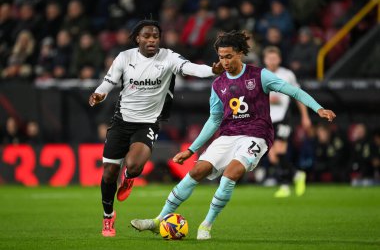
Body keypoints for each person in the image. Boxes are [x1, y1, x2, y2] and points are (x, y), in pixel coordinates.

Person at [130, 31, 336, 240]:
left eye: (229, 56)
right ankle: (158, 221)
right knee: (197, 171)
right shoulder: (218, 85)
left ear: (240, 54)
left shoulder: (259, 75)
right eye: (221, 57)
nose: (225, 61)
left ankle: (206, 225)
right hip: (228, 136)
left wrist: (318, 108)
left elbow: (294, 91)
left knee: (231, 173)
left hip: (256, 135)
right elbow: (214, 120)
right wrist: (192, 149)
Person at [88, 19, 223, 237]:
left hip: (148, 122)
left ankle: (130, 177)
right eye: (147, 36)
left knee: (133, 165)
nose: (152, 40)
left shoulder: (168, 57)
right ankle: (108, 216)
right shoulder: (125, 57)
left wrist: (211, 70)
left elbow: (190, 68)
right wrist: (99, 93)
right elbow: (109, 81)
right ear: (138, 38)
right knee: (109, 173)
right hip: (121, 121)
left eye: (155, 36)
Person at [263, 46, 311, 198]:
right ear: (265, 60)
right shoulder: (260, 74)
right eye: (269, 58)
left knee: (279, 150)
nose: (272, 61)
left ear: (279, 59)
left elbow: (298, 95)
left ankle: (284, 185)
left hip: (283, 117)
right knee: (272, 156)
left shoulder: (287, 74)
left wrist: (305, 116)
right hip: (267, 119)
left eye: (274, 58)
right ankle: (297, 174)